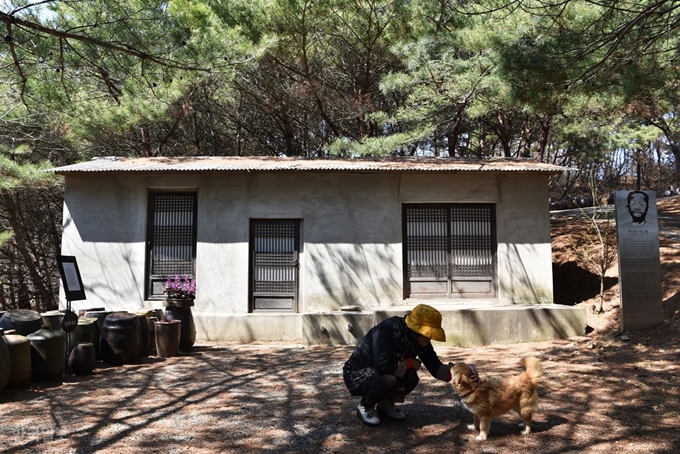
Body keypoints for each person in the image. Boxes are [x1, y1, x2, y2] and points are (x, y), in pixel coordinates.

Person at [342, 303, 478, 427]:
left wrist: (463, 372)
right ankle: (365, 406)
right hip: (358, 373)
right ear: (416, 331)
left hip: (383, 372)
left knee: (411, 376)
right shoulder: (386, 330)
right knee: (389, 380)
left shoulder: (420, 341)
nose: (430, 338)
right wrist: (410, 362)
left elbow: (435, 367)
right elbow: (382, 366)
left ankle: (385, 404)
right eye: (428, 334)